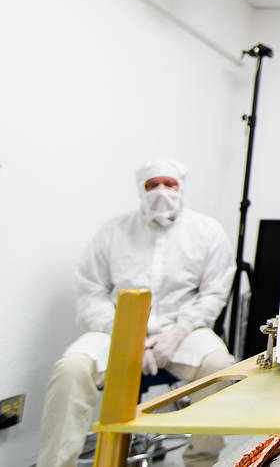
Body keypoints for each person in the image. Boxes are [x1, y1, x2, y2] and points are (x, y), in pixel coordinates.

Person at [37, 158, 237, 467]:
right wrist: (122, 333)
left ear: (181, 188)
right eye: (152, 184)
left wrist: (179, 331)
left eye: (169, 184)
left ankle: (201, 461)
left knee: (219, 366)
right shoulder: (114, 232)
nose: (161, 191)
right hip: (117, 327)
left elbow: (213, 292)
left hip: (180, 331)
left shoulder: (207, 232)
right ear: (140, 190)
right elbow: (91, 291)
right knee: (70, 369)